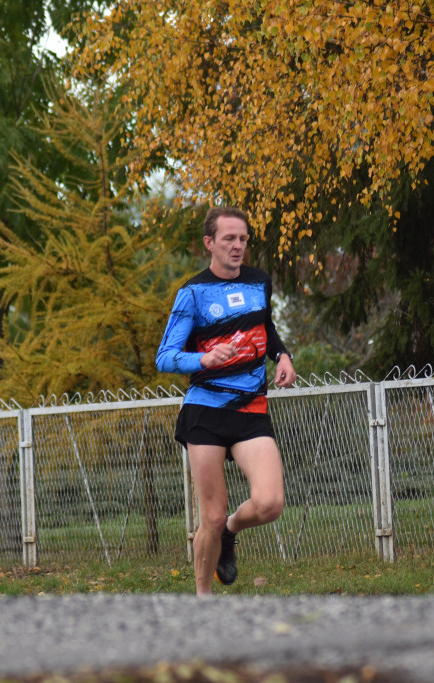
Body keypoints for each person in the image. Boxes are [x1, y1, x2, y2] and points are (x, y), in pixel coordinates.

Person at [156, 207, 296, 595]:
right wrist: (201, 358)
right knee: (211, 517)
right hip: (205, 411)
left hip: (251, 407)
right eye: (229, 239)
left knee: (269, 504)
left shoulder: (259, 282)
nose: (237, 246)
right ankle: (202, 601)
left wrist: (282, 355)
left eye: (243, 239)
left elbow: (265, 326)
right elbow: (165, 356)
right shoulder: (193, 293)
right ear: (210, 243)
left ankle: (233, 531)